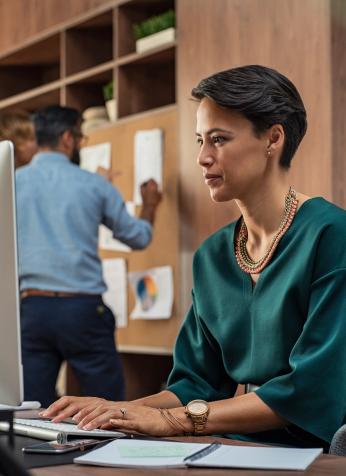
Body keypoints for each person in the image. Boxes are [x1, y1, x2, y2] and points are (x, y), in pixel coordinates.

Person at [41, 66, 346, 449]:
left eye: (218, 139)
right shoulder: (213, 254)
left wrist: (171, 421)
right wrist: (116, 412)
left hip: (315, 452)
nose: (202, 157)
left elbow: (310, 390)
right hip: (237, 445)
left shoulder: (333, 235)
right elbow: (196, 382)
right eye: (200, 140)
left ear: (273, 138)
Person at [16, 105, 162, 408]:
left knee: (29, 411)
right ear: (67, 138)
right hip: (82, 310)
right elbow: (137, 237)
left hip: (31, 310)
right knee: (106, 409)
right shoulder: (93, 185)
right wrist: (149, 206)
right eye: (81, 137)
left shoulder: (11, 182)